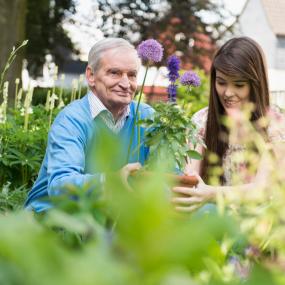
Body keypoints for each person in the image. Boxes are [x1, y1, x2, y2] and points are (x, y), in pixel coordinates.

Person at [25, 38, 154, 212]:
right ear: (91, 76)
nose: (126, 84)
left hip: (113, 218)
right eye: (114, 73)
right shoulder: (72, 120)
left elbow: (169, 174)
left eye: (132, 75)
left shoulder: (147, 117)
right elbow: (61, 187)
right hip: (55, 219)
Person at [172, 37, 285, 212]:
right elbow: (192, 178)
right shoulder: (202, 120)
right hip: (212, 218)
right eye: (221, 82)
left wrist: (211, 193)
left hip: (259, 226)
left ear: (256, 84)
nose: (228, 93)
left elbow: (262, 190)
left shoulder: (275, 126)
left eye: (239, 85)